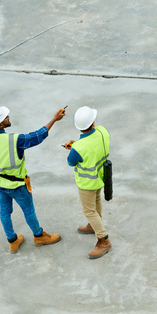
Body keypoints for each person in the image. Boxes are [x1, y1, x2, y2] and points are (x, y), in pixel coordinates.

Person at [0, 105, 64, 253]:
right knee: (29, 211)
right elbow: (38, 136)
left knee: (5, 212)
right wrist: (54, 119)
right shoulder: (14, 140)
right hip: (17, 185)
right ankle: (39, 236)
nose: (8, 116)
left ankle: (12, 240)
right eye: (5, 117)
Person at [66, 106, 112, 259]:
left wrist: (75, 147)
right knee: (97, 200)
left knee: (88, 211)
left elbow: (71, 162)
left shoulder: (78, 147)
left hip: (87, 183)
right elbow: (94, 146)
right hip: (101, 177)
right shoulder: (102, 131)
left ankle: (104, 240)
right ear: (93, 123)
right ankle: (94, 226)